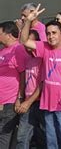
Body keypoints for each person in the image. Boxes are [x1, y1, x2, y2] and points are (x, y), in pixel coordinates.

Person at [20, 5, 61, 149]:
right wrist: (28, 21)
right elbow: (24, 42)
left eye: (54, 33)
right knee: (51, 141)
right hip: (48, 102)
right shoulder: (44, 46)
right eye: (48, 33)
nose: (51, 36)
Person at [16, 30, 46, 149]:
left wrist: (28, 102)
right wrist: (20, 98)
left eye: (30, 42)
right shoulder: (27, 59)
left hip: (40, 103)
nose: (27, 46)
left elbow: (43, 83)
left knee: (43, 137)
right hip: (27, 103)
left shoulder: (42, 60)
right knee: (22, 137)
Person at [0, 21, 26, 149]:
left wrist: (19, 97)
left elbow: (23, 73)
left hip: (10, 101)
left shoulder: (18, 49)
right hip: (1, 101)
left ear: (9, 35)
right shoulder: (3, 51)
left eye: (0, 33)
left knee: (4, 135)